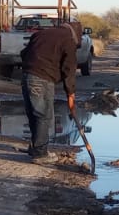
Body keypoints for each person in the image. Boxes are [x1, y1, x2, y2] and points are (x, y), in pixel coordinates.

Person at [20, 19, 79, 159]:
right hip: (42, 79)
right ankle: (40, 154)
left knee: (34, 114)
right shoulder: (68, 40)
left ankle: (35, 147)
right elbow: (69, 69)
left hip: (26, 76)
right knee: (43, 115)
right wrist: (70, 92)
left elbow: (23, 53)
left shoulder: (41, 34)